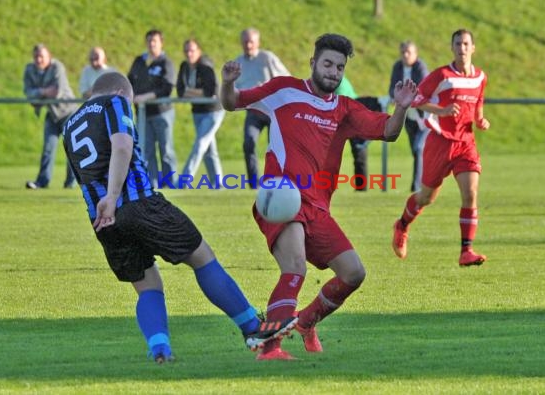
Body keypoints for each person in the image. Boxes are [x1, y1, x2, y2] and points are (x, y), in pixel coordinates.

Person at [62, 72, 296, 364]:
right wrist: (113, 195)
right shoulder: (115, 101)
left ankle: (159, 349)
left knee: (148, 286)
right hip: (138, 203)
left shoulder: (70, 124)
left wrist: (105, 204)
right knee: (202, 258)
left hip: (103, 221)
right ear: (123, 92)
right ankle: (252, 327)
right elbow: (121, 146)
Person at [221, 33, 417, 360]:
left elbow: (389, 132)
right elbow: (232, 102)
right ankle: (270, 348)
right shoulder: (284, 89)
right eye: (327, 64)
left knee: (354, 273)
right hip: (281, 198)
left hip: (317, 208)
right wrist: (227, 84)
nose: (333, 72)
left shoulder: (344, 109)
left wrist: (402, 108)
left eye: (339, 67)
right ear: (313, 63)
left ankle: (307, 321)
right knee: (295, 268)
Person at [391, 29, 490, 267]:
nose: (462, 48)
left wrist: (479, 120)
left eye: (466, 44)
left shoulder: (480, 77)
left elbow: (478, 102)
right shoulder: (441, 75)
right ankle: (402, 225)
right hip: (439, 142)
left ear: (473, 48)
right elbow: (416, 100)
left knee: (471, 194)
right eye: (458, 44)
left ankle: (466, 250)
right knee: (426, 197)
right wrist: (442, 111)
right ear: (452, 47)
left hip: (466, 143)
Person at [234, 28, 290, 188]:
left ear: (258, 42)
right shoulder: (238, 63)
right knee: (248, 143)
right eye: (245, 41)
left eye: (251, 41)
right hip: (254, 112)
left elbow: (287, 79)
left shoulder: (267, 58)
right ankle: (253, 184)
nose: (248, 44)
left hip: (273, 112)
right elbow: (234, 88)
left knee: (274, 149)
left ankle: (275, 182)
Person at [23, 44, 78, 189]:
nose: (39, 60)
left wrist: (38, 94)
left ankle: (70, 183)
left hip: (68, 113)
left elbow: (57, 92)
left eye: (42, 56)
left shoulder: (57, 67)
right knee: (48, 148)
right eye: (36, 57)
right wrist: (43, 91)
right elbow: (28, 93)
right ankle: (42, 181)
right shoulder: (30, 70)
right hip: (52, 114)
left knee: (71, 149)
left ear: (49, 57)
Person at [128, 29, 177, 188]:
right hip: (142, 114)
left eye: (154, 41)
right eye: (149, 40)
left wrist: (147, 97)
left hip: (162, 113)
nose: (151, 44)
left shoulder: (165, 63)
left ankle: (170, 184)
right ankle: (153, 185)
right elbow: (130, 81)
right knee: (147, 151)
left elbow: (167, 87)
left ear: (161, 43)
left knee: (166, 151)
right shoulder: (139, 61)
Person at [177, 39, 224, 187]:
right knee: (209, 150)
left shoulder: (205, 66)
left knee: (200, 145)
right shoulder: (184, 66)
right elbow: (179, 90)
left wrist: (189, 92)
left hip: (213, 111)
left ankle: (183, 182)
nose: (189, 54)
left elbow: (212, 91)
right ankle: (218, 184)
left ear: (199, 51)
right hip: (197, 111)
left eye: (192, 50)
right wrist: (198, 93)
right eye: (186, 51)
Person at [388, 40, 429, 192]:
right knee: (415, 150)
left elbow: (424, 88)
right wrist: (395, 96)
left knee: (419, 148)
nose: (405, 55)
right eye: (403, 52)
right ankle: (426, 180)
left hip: (424, 115)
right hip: (408, 116)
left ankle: (417, 187)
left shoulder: (420, 67)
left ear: (415, 54)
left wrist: (408, 98)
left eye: (409, 52)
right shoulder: (397, 67)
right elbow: (392, 87)